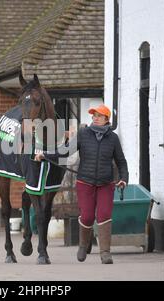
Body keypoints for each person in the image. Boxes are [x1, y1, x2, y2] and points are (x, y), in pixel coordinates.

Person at [35, 104, 128, 264]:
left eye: (98, 115)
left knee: (104, 215)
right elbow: (66, 150)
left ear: (106, 119)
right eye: (93, 115)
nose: (95, 118)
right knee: (87, 216)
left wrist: (124, 178)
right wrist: (46, 154)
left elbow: (121, 161)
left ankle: (105, 252)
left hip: (106, 183)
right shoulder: (83, 134)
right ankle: (83, 246)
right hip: (85, 182)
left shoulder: (113, 138)